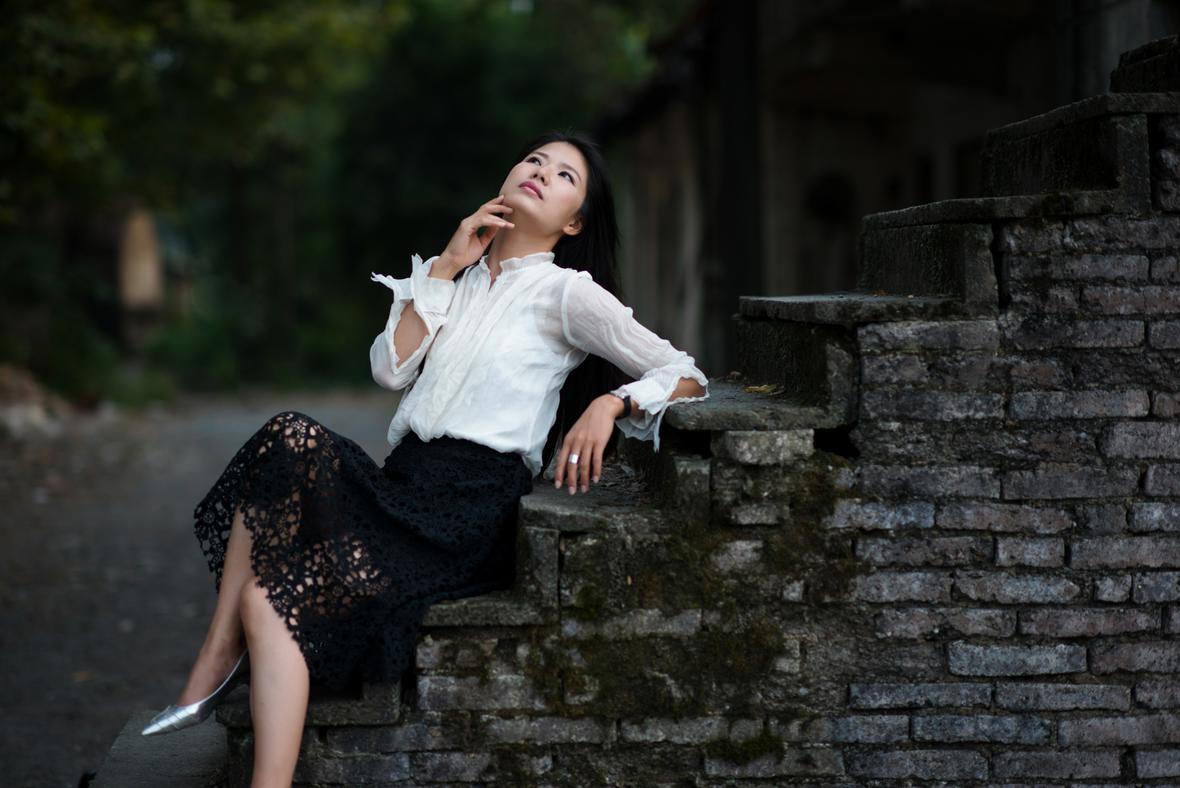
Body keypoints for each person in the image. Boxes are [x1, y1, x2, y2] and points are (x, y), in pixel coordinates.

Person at [139, 130, 710, 787]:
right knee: (283, 463)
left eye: (564, 176)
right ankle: (220, 667)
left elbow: (684, 372)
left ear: (574, 222)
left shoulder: (568, 293)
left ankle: (226, 690)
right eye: (534, 160)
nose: (540, 172)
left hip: (468, 510)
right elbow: (390, 369)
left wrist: (611, 404)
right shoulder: (453, 279)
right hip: (405, 486)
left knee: (274, 571)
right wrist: (443, 267)